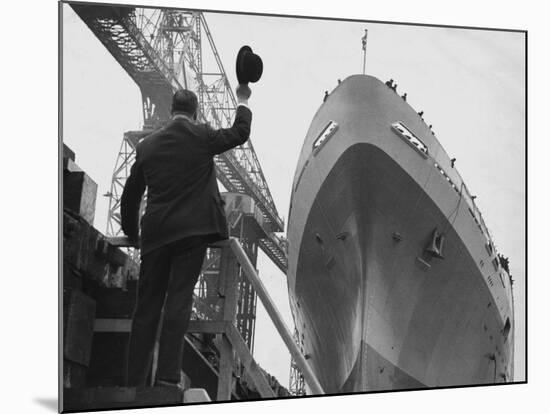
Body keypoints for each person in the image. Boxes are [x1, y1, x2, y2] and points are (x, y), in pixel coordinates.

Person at [120, 84, 253, 389]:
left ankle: (133, 384)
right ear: (194, 113)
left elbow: (131, 196)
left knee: (146, 308)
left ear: (171, 111)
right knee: (178, 302)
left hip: (155, 236)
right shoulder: (203, 136)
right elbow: (239, 133)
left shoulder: (148, 146)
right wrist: (243, 99)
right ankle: (167, 379)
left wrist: (132, 231)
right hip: (193, 233)